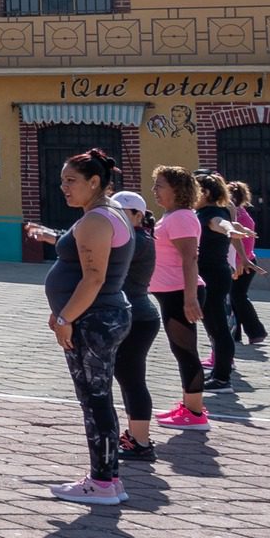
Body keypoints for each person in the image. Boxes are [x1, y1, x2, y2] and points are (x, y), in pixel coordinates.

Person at [32, 148, 135, 505]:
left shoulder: (96, 220)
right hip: (97, 315)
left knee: (95, 400)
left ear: (95, 182)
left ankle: (103, 481)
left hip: (95, 319)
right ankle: (107, 479)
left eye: (71, 181)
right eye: (62, 181)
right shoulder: (107, 213)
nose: (64, 187)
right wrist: (60, 309)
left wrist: (66, 317)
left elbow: (93, 277)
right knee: (97, 398)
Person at [145, 166, 210, 433]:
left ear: (177, 189)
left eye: (159, 185)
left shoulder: (181, 217)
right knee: (180, 350)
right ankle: (189, 404)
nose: (155, 191)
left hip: (179, 293)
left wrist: (190, 298)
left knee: (185, 351)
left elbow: (190, 258)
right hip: (171, 292)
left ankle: (195, 413)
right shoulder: (172, 216)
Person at [110, 191, 162, 462]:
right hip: (139, 316)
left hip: (139, 318)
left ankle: (141, 442)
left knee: (132, 380)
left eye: (122, 212)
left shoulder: (136, 241)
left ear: (138, 215)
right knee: (129, 378)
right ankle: (135, 436)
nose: (115, 217)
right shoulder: (135, 238)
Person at [195, 172, 238, 391]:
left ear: (207, 192)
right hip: (211, 274)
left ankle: (222, 378)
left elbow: (220, 224)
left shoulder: (213, 212)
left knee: (218, 327)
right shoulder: (201, 212)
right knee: (214, 326)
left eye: (195, 188)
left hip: (213, 275)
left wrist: (231, 229)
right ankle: (219, 373)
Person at [228, 179, 266, 345]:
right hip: (242, 261)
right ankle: (235, 333)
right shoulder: (240, 214)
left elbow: (245, 243)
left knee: (238, 297)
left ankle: (256, 331)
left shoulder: (239, 217)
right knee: (235, 298)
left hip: (243, 263)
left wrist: (239, 263)